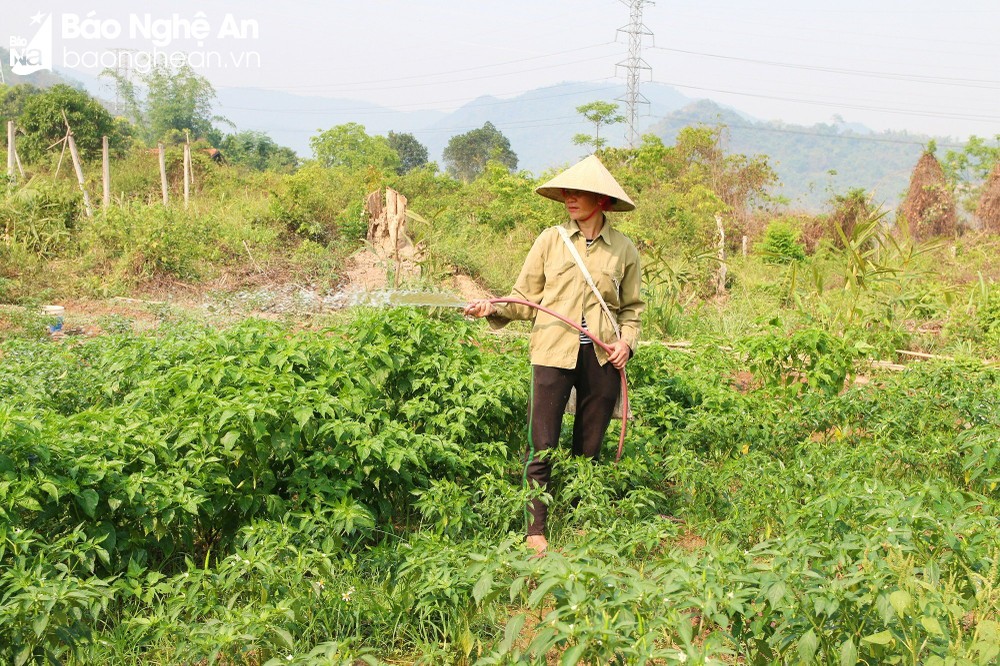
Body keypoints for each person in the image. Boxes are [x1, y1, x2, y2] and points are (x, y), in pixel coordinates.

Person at [464, 155, 644, 555]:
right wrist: (491, 307)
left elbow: (631, 308)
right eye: (566, 192)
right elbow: (526, 299)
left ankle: (581, 520)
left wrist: (625, 343)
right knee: (541, 441)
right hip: (551, 352)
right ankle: (535, 529)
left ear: (601, 201)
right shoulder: (550, 241)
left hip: (601, 359)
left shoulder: (624, 250)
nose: (569, 198)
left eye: (578, 192)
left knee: (589, 443)